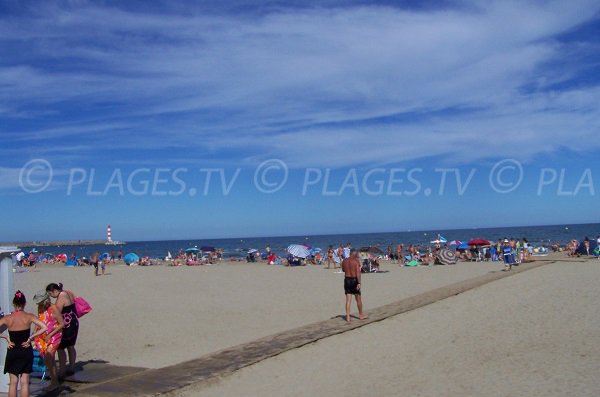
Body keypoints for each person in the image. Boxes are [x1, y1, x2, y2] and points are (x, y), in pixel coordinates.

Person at [0, 291, 47, 397]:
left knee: (13, 382)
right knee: (24, 382)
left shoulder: (7, 318)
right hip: (26, 349)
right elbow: (45, 327)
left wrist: (6, 338)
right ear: (24, 303)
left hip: (13, 349)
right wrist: (31, 338)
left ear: (13, 304)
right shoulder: (29, 316)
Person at [45, 283, 79, 378]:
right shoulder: (67, 292)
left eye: (50, 294)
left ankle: (63, 369)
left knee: (61, 347)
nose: (51, 296)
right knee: (70, 346)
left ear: (55, 291)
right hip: (73, 321)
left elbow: (57, 311)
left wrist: (49, 306)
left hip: (68, 324)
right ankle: (71, 367)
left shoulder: (61, 297)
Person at [32, 292, 64, 392]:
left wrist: (50, 335)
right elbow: (38, 321)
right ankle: (54, 381)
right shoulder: (40, 308)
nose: (39, 305)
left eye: (41, 303)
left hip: (54, 336)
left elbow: (62, 324)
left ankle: (54, 382)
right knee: (48, 360)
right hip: (42, 336)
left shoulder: (54, 308)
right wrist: (34, 334)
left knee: (49, 356)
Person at [341, 249, 367, 322]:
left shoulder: (344, 261)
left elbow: (343, 270)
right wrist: (359, 282)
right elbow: (358, 273)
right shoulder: (356, 261)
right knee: (358, 299)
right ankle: (361, 315)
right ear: (354, 254)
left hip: (347, 280)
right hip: (354, 280)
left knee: (348, 300)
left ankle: (348, 317)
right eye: (356, 254)